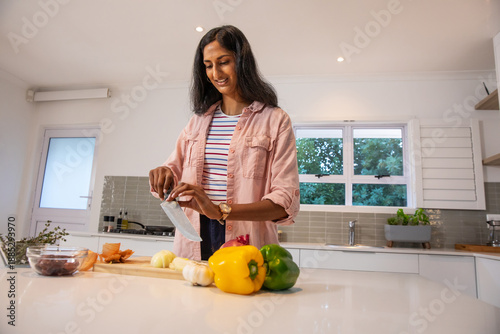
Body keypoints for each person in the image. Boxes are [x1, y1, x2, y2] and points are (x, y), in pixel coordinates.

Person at [149, 25, 299, 261]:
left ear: (242, 61)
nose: (215, 73)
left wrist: (220, 211)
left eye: (223, 61)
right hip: (195, 236)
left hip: (246, 238)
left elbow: (284, 202)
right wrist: (164, 174)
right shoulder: (197, 122)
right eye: (208, 65)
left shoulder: (275, 120)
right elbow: (174, 172)